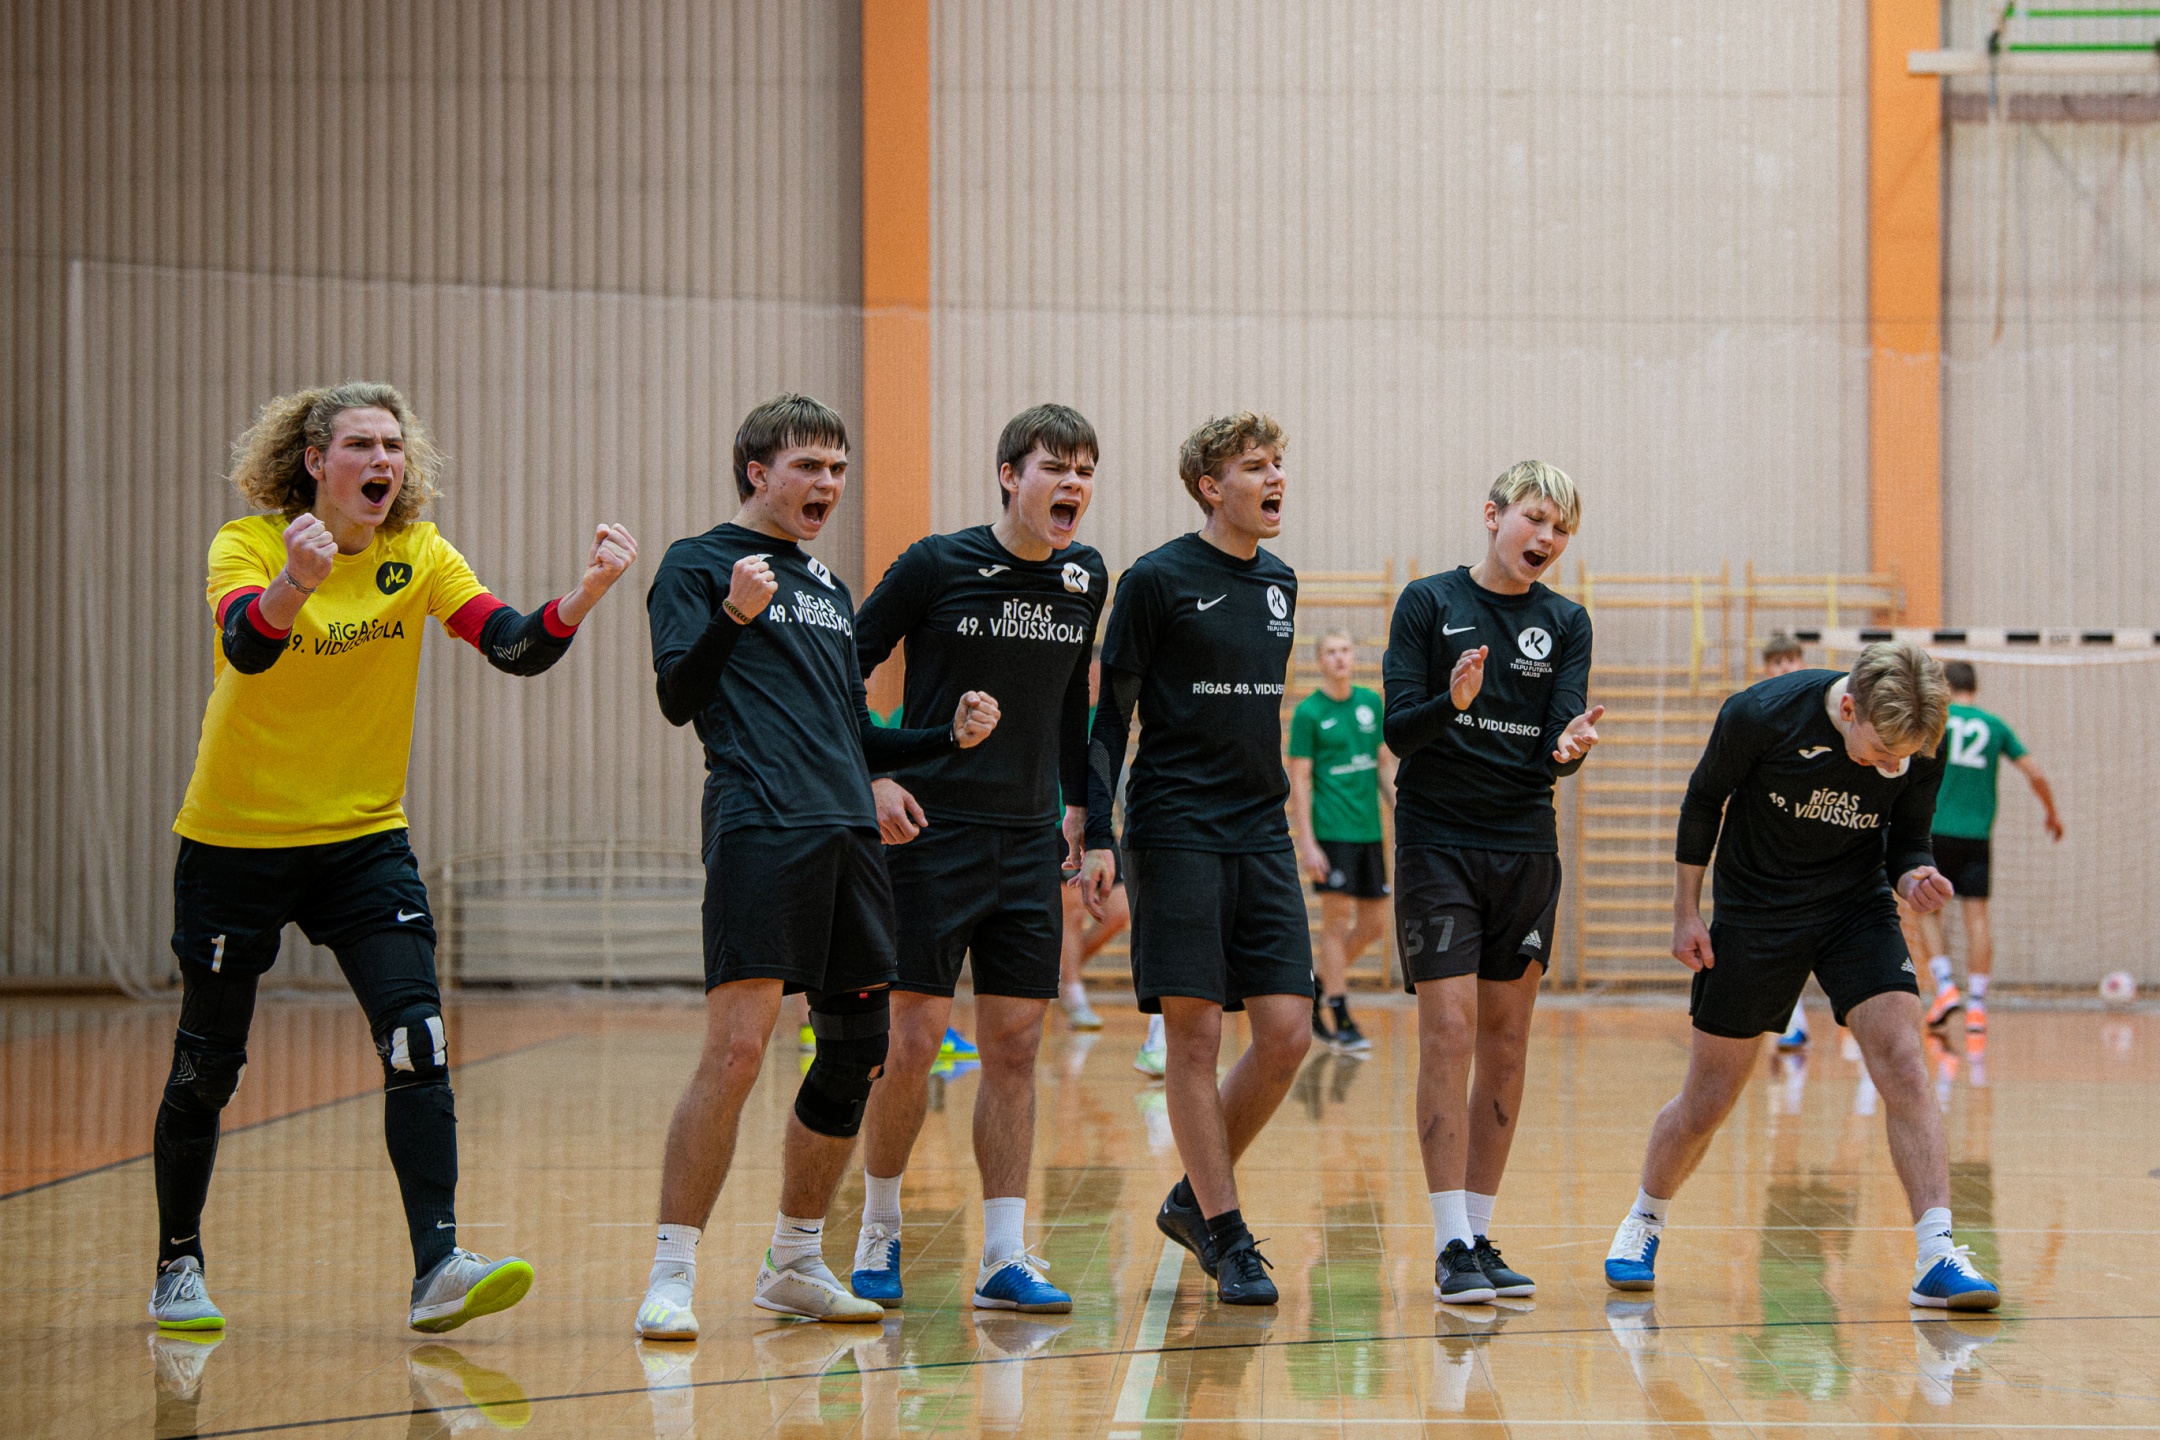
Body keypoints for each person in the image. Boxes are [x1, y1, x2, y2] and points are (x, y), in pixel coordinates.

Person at [151, 382, 638, 1334]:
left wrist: (585, 593)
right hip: (236, 841)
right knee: (208, 1067)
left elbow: (510, 644)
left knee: (419, 1038)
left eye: (394, 445)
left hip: (363, 843)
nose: (384, 460)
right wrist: (296, 580)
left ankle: (438, 1267)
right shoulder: (248, 544)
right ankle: (178, 1262)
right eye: (362, 445)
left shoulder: (419, 553)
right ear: (315, 462)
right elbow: (249, 648)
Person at [636, 394, 999, 1336]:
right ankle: (671, 1273)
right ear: (758, 472)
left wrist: (944, 740)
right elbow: (678, 695)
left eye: (838, 469)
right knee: (738, 1051)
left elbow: (853, 733)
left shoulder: (831, 590)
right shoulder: (698, 564)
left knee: (853, 1057)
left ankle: (795, 1261)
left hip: (849, 840)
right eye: (808, 466)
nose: (828, 484)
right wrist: (732, 614)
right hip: (761, 826)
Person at [1603, 640, 2002, 1311]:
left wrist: (1915, 876)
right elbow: (1703, 802)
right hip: (1757, 911)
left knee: (1905, 1062)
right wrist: (1685, 914)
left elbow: (1908, 839)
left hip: (1856, 909)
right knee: (1708, 1099)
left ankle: (1937, 1255)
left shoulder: (1918, 742)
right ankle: (1644, 1220)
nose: (1893, 767)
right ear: (1848, 710)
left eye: (1903, 757)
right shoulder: (1761, 714)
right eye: (1882, 752)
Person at [845, 403, 1108, 1313]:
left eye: (1085, 470)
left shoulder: (1084, 576)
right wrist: (877, 773)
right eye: (1055, 467)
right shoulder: (936, 564)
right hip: (932, 834)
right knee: (913, 1042)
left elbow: (1073, 703)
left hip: (1029, 841)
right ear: (1009, 475)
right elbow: (840, 668)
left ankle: (1002, 1256)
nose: (1073, 484)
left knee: (1017, 1046)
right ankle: (879, 1229)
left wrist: (1083, 812)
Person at [1083, 411, 1310, 1305]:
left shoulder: (1282, 582)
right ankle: (1226, 1231)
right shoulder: (1155, 579)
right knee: (1196, 1036)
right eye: (1256, 466)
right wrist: (1096, 832)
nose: (1275, 477)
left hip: (1260, 829)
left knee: (1287, 1033)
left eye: (1279, 463)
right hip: (1175, 825)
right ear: (1212, 488)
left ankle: (1191, 1200)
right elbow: (1111, 716)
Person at [1383, 460, 1602, 1304]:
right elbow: (1401, 731)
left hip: (1525, 847)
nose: (1546, 538)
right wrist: (1453, 701)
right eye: (1535, 518)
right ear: (1492, 514)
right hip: (1438, 841)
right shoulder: (1428, 602)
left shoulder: (1567, 622)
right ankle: (1448, 1244)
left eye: (1561, 529)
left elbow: (1557, 741)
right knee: (1448, 1031)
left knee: (1507, 1044)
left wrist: (1568, 750)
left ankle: (1478, 1233)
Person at [1913, 659, 2063, 1033]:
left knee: (1926, 909)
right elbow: (2035, 773)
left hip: (1934, 830)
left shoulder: (1936, 721)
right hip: (1977, 836)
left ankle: (1945, 986)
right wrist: (2051, 812)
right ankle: (1977, 1007)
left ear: (1945, 688)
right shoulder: (1995, 725)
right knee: (1977, 917)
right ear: (1975, 688)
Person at [1288, 631, 1398, 1051]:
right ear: (1319, 660)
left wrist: (1403, 811)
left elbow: (1383, 764)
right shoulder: (1309, 713)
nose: (1339, 658)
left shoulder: (1370, 703)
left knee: (1374, 926)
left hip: (1369, 832)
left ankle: (1316, 987)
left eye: (1345, 651)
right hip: (1331, 833)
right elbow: (1299, 781)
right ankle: (1340, 1014)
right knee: (1335, 924)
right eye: (1331, 652)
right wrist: (1307, 842)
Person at [1757, 634, 1811, 1050]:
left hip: (1810, 831)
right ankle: (1791, 1018)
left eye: (1791, 660)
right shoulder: (1756, 710)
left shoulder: (1821, 707)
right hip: (1769, 835)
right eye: (1777, 662)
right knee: (1775, 930)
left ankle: (1795, 1017)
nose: (1785, 667)